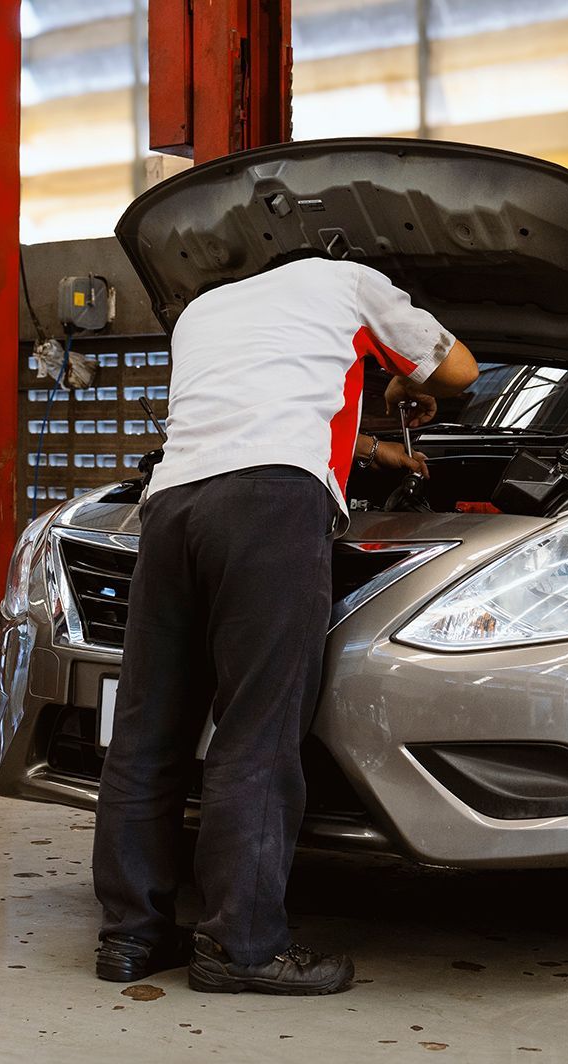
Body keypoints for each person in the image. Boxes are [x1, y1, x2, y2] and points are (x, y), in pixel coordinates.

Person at [92, 254, 479, 995]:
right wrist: (398, 380)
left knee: (147, 732)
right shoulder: (352, 280)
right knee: (259, 729)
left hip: (171, 512)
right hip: (270, 507)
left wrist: (367, 445)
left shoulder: (206, 307)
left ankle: (131, 939)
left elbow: (253, 406)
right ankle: (241, 946)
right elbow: (457, 372)